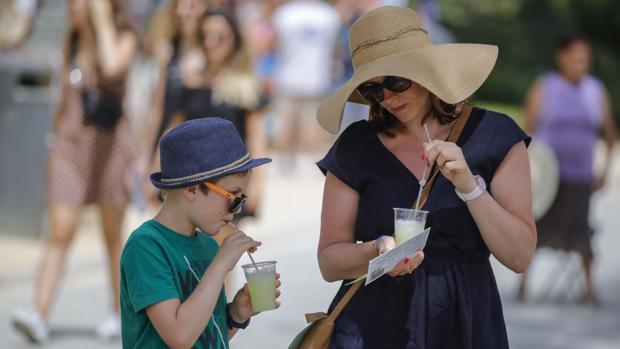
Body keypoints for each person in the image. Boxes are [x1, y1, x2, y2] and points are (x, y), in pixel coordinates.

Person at [315, 6, 536, 348]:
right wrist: (379, 249)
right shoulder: (357, 145)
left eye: (397, 82)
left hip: (463, 320)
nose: (387, 98)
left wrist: (470, 188)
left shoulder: (494, 136)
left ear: (425, 72)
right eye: (373, 91)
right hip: (371, 324)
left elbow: (519, 256)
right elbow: (329, 262)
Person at [11, 0, 137, 344]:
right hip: (70, 148)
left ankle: (118, 312)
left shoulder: (123, 38)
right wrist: (53, 139)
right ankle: (39, 313)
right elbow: (65, 97)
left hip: (111, 148)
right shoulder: (71, 41)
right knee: (60, 230)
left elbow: (112, 67)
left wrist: (100, 18)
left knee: (113, 237)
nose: (72, 4)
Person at [120, 117, 281, 348]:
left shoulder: (207, 244)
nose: (236, 210)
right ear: (192, 188)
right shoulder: (146, 246)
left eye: (241, 199)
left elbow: (206, 335)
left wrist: (235, 315)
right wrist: (220, 265)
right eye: (233, 197)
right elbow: (179, 336)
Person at [517, 35, 617, 305]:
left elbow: (609, 134)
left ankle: (589, 291)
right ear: (560, 57)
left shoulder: (596, 90)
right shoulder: (546, 86)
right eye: (574, 57)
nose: (580, 63)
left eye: (584, 58)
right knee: (536, 228)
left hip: (581, 176)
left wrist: (606, 170)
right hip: (549, 177)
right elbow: (526, 131)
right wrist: (526, 170)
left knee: (582, 233)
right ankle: (522, 285)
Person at [167, 9, 268, 223]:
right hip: (191, 183)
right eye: (205, 35)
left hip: (228, 187)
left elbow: (256, 137)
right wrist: (156, 172)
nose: (211, 42)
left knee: (222, 250)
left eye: (220, 36)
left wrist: (257, 185)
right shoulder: (190, 82)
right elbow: (173, 134)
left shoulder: (245, 86)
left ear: (234, 40)